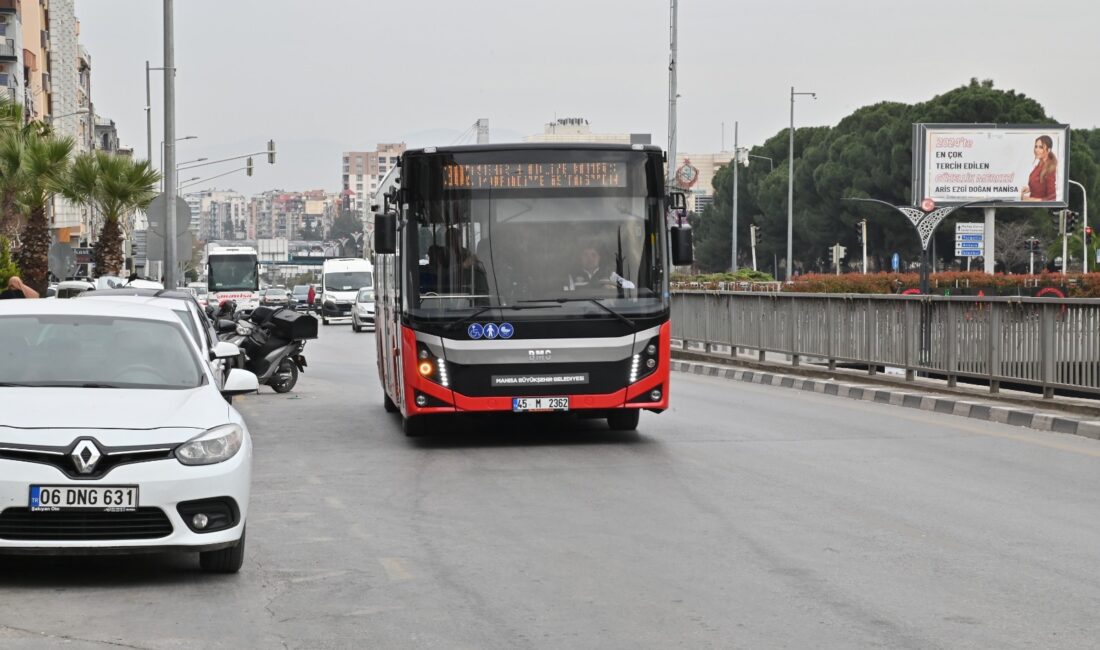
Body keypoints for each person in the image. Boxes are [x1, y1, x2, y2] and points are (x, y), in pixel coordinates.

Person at [1021, 135, 1058, 202]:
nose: (1037, 150)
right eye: (1036, 147)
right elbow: (1042, 186)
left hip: (1040, 207)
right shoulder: (1040, 164)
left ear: (1048, 150)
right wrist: (1030, 189)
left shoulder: (1050, 168)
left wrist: (1031, 200)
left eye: (1041, 147)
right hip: (1032, 206)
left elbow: (1052, 198)